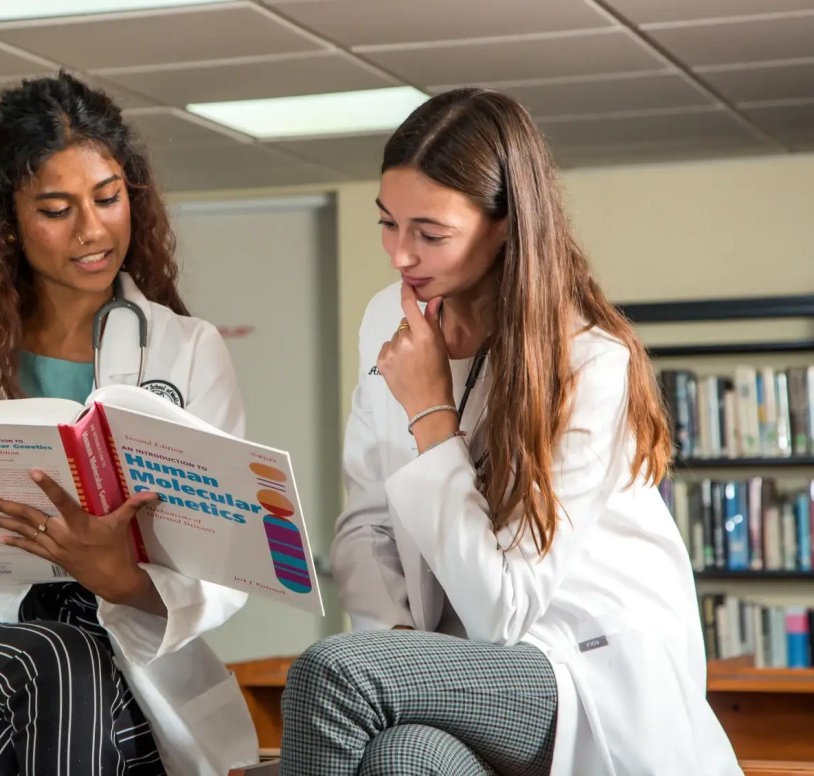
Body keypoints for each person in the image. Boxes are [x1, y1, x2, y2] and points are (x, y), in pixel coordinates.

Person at [279, 88, 742, 775]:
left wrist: (430, 411)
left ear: (504, 227)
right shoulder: (386, 321)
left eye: (429, 233)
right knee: (402, 758)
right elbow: (366, 523)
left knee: (337, 673)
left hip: (570, 668)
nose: (400, 255)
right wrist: (397, 641)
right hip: (460, 663)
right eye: (387, 223)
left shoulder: (588, 361)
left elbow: (504, 609)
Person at [0, 72, 258, 776]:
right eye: (56, 209)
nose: (92, 230)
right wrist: (33, 539)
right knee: (58, 659)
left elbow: (227, 555)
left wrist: (121, 579)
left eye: (108, 198)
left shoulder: (188, 349)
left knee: (14, 740)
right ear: (7, 219)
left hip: (128, 634)